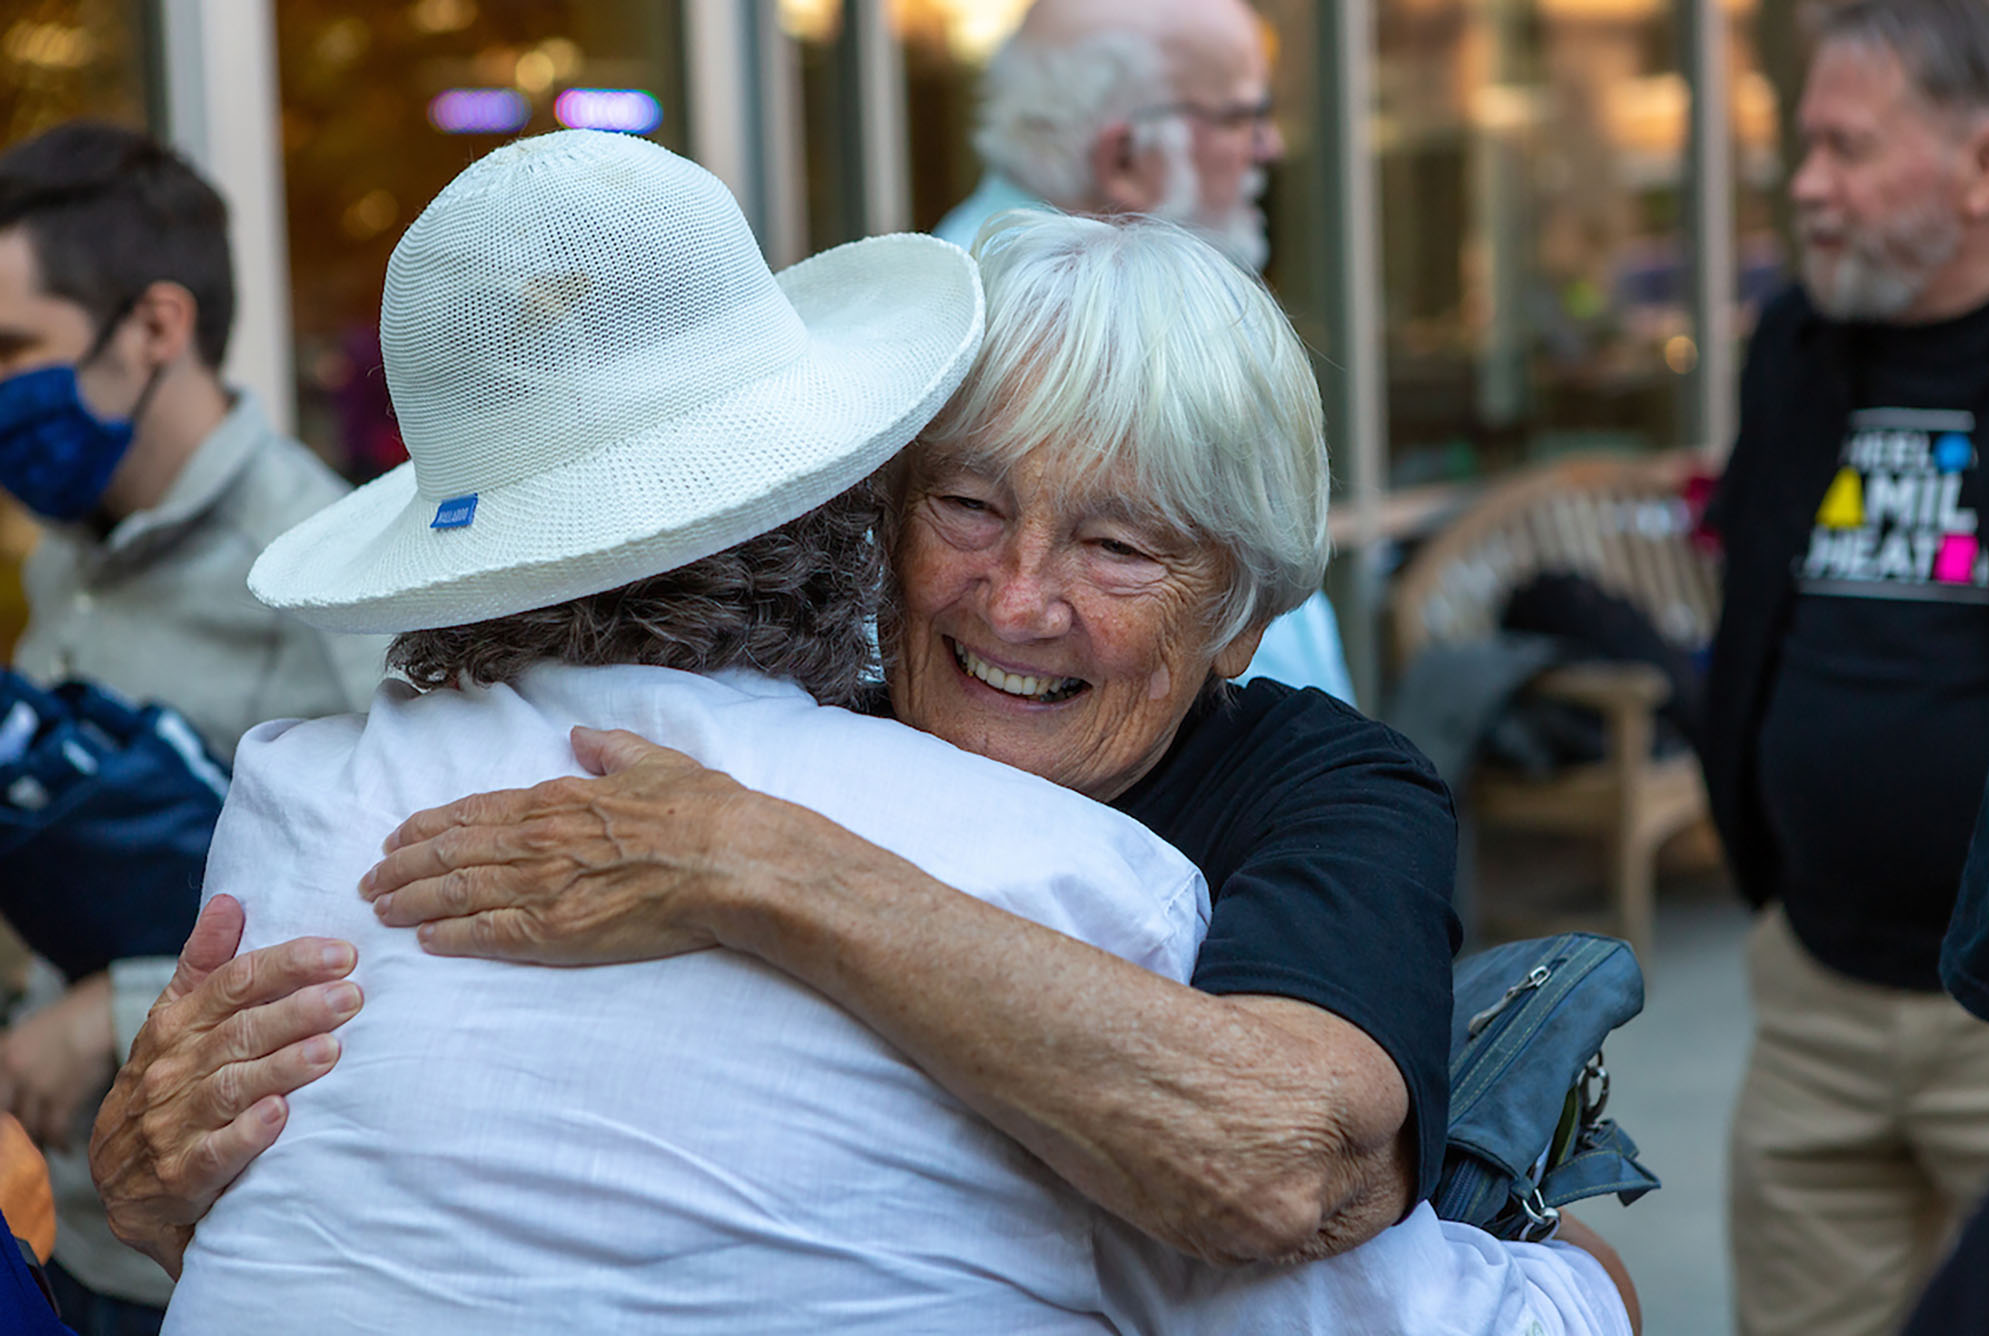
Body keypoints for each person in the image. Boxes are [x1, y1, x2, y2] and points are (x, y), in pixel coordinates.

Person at [157, 129, 1630, 1334]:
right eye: (968, 508)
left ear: (1242, 619)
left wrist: (757, 862)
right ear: (880, 512)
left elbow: (1295, 1169)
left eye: (1120, 548)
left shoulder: (1304, 795)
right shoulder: (785, 716)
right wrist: (163, 1171)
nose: (1019, 599)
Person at [0, 122, 385, 1328]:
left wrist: (112, 1013)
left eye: (12, 348)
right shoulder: (67, 560)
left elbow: (400, 922)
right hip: (44, 1221)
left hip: (199, 1263)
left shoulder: (330, 579)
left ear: (157, 327)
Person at [1702, 3, 1989, 1333]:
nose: (1806, 186)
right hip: (1812, 988)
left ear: (1986, 167)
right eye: (1801, 145)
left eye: (1849, 149)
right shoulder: (1796, 352)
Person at [934, 0, 1353, 702]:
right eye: (1242, 116)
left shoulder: (951, 295)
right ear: (1126, 156)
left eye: (1114, 545)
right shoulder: (1019, 334)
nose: (1270, 147)